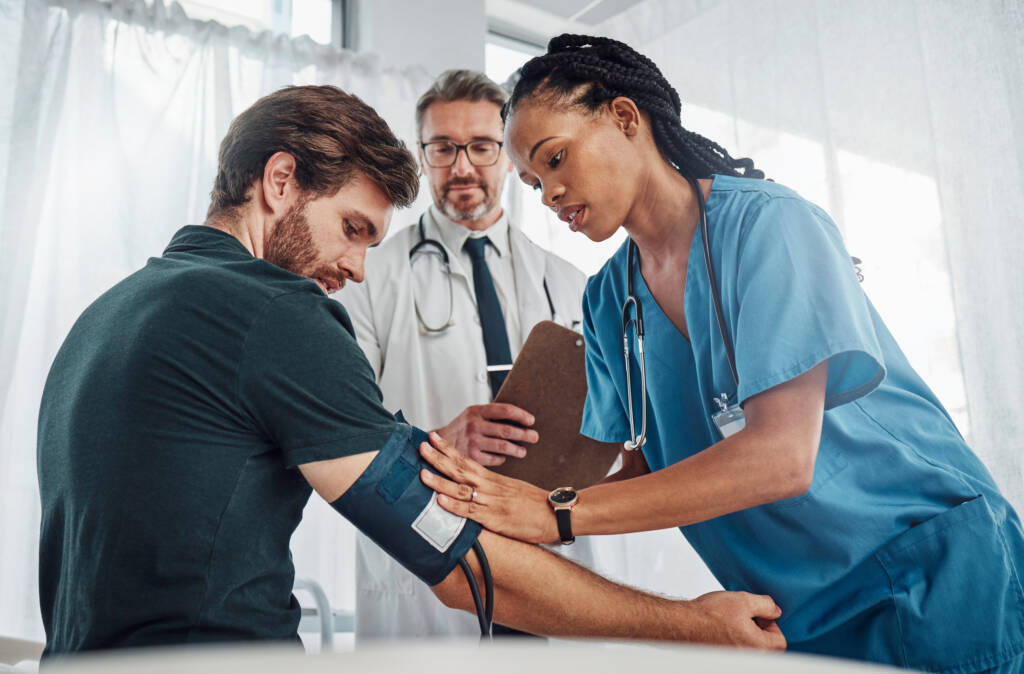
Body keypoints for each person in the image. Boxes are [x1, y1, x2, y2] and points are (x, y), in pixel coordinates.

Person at [35, 84, 787, 656]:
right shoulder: (272, 314)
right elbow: (460, 568)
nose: (360, 269)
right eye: (353, 230)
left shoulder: (108, 313)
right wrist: (687, 623)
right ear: (279, 180)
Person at [419, 35, 1024, 673]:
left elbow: (781, 458)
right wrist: (501, 507)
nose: (548, 194)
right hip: (793, 613)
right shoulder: (606, 301)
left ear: (626, 118)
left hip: (929, 573)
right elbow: (645, 466)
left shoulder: (771, 227)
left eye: (557, 159)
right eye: (535, 182)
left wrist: (557, 513)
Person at [336, 70, 592, 640]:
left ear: (507, 156)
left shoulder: (569, 281)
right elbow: (341, 425)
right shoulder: (367, 276)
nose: (462, 167)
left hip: (544, 547)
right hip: (424, 553)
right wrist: (436, 443)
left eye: (480, 146)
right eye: (442, 148)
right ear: (421, 156)